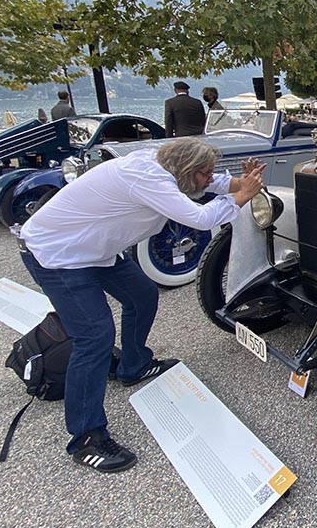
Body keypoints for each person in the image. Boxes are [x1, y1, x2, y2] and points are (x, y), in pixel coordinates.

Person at [17, 137, 266, 473]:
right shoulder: (150, 178)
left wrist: (238, 182)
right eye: (204, 175)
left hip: (95, 250)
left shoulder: (166, 165)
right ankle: (86, 436)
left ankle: (133, 366)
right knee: (94, 338)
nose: (210, 179)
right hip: (58, 254)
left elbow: (210, 181)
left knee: (142, 295)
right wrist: (242, 195)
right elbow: (201, 218)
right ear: (187, 171)